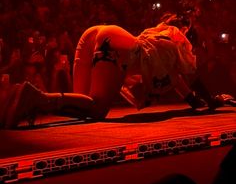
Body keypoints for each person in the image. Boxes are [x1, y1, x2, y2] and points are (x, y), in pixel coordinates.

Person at [0, 21, 223, 129]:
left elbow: (186, 91)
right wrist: (213, 101)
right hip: (115, 46)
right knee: (97, 109)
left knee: (84, 106)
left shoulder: (161, 42)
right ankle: (34, 98)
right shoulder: (178, 49)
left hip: (96, 33)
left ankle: (16, 98)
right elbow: (192, 79)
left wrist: (201, 101)